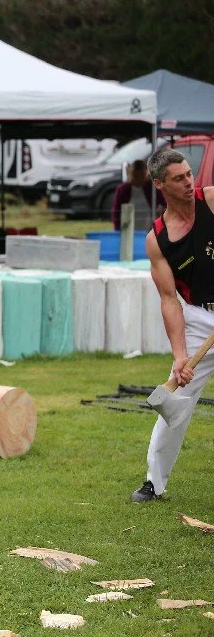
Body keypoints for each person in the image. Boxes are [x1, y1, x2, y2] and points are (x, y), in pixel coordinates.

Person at [131, 147, 214, 502]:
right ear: (160, 184)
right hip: (198, 317)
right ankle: (154, 482)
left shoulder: (211, 200)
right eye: (179, 178)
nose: (188, 182)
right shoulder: (157, 239)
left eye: (189, 174)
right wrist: (180, 355)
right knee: (176, 398)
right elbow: (169, 300)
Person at [111, 159, 164, 230]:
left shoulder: (152, 188)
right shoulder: (122, 189)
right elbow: (116, 212)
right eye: (136, 175)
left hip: (149, 229)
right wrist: (117, 229)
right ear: (131, 174)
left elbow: (165, 204)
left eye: (141, 176)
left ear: (145, 175)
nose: (138, 179)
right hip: (127, 229)